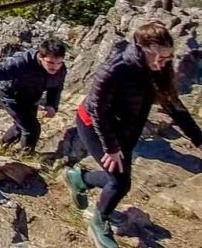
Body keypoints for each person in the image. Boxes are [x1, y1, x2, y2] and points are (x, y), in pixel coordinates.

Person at [65, 22, 202, 248]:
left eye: (167, 57)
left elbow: (174, 107)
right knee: (120, 181)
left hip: (124, 130)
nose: (163, 62)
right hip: (94, 125)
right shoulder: (115, 68)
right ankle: (99, 222)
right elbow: (98, 110)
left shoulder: (158, 70)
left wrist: (198, 138)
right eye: (159, 56)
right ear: (141, 48)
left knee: (119, 180)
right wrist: (111, 148)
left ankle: (80, 178)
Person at [0, 38, 67, 152]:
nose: (55, 67)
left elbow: (56, 87)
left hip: (29, 96)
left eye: (59, 62)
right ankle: (26, 156)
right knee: (31, 128)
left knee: (22, 125)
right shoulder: (22, 62)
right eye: (50, 62)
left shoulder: (61, 70)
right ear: (41, 57)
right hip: (8, 93)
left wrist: (52, 105)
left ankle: (1, 145)